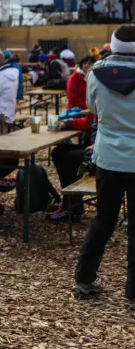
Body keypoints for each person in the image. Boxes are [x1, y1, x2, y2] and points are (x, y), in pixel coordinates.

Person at [74, 25, 135, 306]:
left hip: (108, 156)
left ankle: (84, 278)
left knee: (103, 220)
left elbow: (94, 109)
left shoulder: (95, 73)